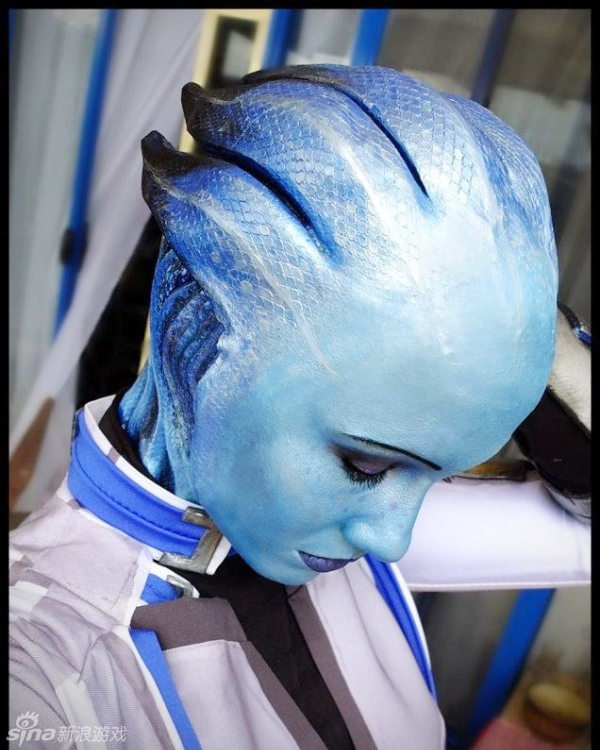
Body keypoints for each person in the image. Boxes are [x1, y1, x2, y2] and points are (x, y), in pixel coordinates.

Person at [9, 64, 590, 750]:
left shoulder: (344, 531)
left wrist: (500, 312)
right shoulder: (42, 664)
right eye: (365, 465)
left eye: (437, 472)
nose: (394, 540)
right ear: (209, 333)